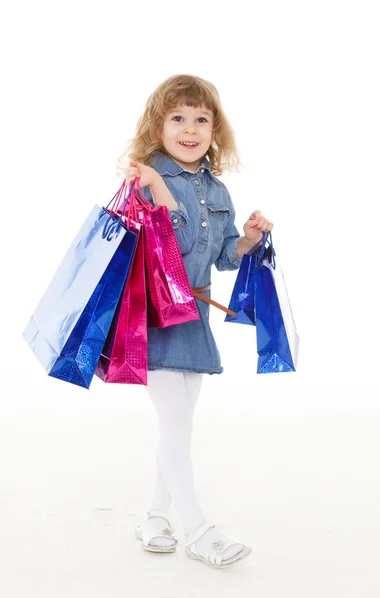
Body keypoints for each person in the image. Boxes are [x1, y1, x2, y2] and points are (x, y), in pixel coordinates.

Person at [120, 74, 273, 569]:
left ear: (215, 129)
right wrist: (160, 186)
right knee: (175, 419)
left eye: (201, 119)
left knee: (178, 427)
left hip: (196, 317)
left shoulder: (218, 188)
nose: (190, 128)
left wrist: (246, 238)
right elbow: (166, 243)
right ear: (157, 126)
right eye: (178, 118)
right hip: (154, 316)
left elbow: (224, 256)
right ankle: (199, 529)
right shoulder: (145, 178)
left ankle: (154, 516)